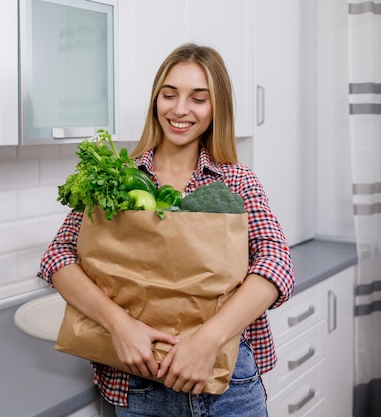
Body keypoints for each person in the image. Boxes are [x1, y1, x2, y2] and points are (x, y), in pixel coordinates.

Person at [38, 43, 295, 416]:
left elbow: (277, 262)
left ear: (216, 107)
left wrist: (207, 340)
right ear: (155, 100)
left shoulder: (237, 180)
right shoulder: (118, 178)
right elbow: (58, 256)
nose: (179, 109)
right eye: (169, 94)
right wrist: (119, 326)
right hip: (139, 386)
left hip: (228, 387)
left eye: (198, 98)